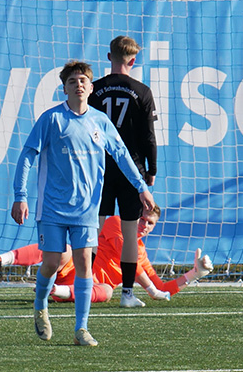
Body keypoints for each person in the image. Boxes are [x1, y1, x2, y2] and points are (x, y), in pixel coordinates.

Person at [11, 60, 155, 346]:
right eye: (72, 81)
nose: (78, 84)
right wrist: (20, 196)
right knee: (51, 262)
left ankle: (81, 329)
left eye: (83, 80)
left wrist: (141, 187)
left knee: (83, 265)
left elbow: (122, 155)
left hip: (87, 210)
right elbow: (28, 155)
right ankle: (40, 305)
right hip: (52, 208)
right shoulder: (51, 119)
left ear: (91, 88)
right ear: (64, 88)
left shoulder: (101, 122)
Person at [0, 205, 214, 304]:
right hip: (76, 268)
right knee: (62, 249)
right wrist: (149, 289)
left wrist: (194, 274)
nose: (144, 224)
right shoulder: (117, 223)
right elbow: (127, 256)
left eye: (150, 222)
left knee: (107, 291)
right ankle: (0, 259)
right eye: (141, 218)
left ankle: (54, 290)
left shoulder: (141, 254)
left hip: (84, 288)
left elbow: (162, 289)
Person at [88, 36, 158, 308]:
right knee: (130, 232)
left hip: (100, 167)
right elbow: (149, 136)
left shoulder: (94, 89)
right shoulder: (142, 91)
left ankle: (85, 285)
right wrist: (150, 170)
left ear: (109, 57)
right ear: (133, 60)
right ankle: (127, 294)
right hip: (132, 169)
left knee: (93, 228)